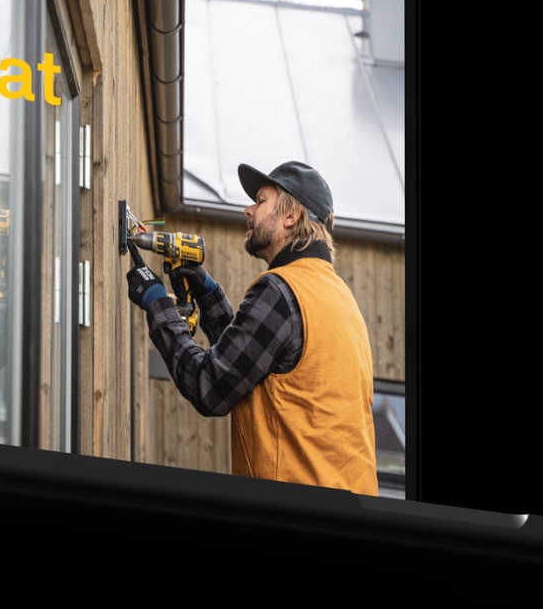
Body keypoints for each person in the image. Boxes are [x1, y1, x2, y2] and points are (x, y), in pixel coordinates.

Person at [126, 161, 378, 495]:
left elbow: (210, 387)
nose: (248, 210)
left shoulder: (281, 289)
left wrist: (158, 304)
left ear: (291, 217)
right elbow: (251, 366)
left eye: (261, 201)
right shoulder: (338, 298)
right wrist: (209, 294)